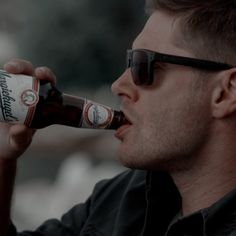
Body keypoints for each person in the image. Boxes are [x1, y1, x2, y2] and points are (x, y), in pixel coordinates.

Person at [1, 0, 236, 235]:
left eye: (142, 65)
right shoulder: (124, 199)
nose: (117, 85)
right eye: (129, 61)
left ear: (226, 92)